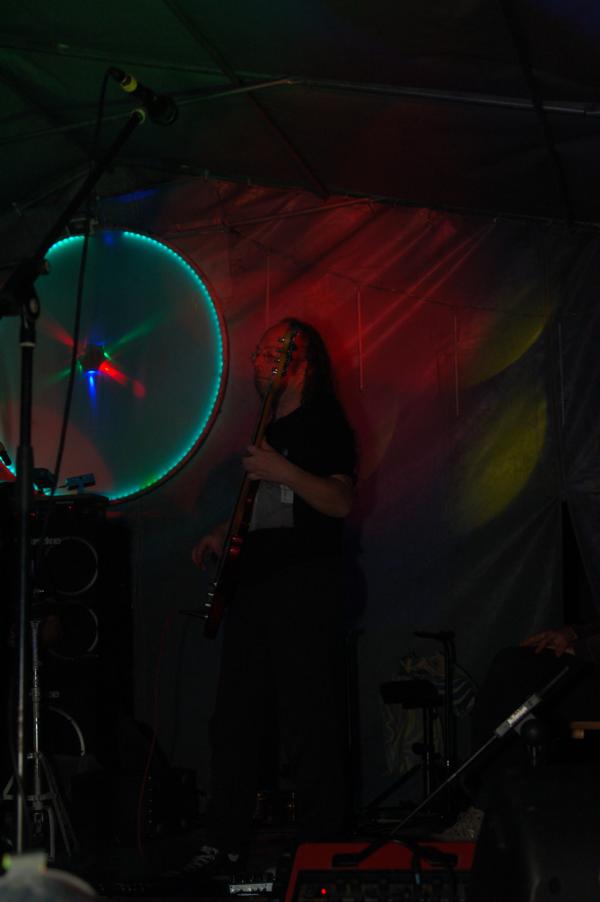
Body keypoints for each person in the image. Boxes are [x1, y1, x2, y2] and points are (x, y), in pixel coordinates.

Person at [184, 318, 357, 879]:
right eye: (258, 352)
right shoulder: (268, 430)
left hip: (304, 586)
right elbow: (269, 506)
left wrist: (281, 468)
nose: (258, 361)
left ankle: (321, 846)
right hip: (255, 588)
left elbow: (338, 501)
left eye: (269, 352)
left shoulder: (324, 421)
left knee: (309, 720)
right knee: (234, 721)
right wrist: (224, 530)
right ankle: (224, 842)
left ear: (299, 361)